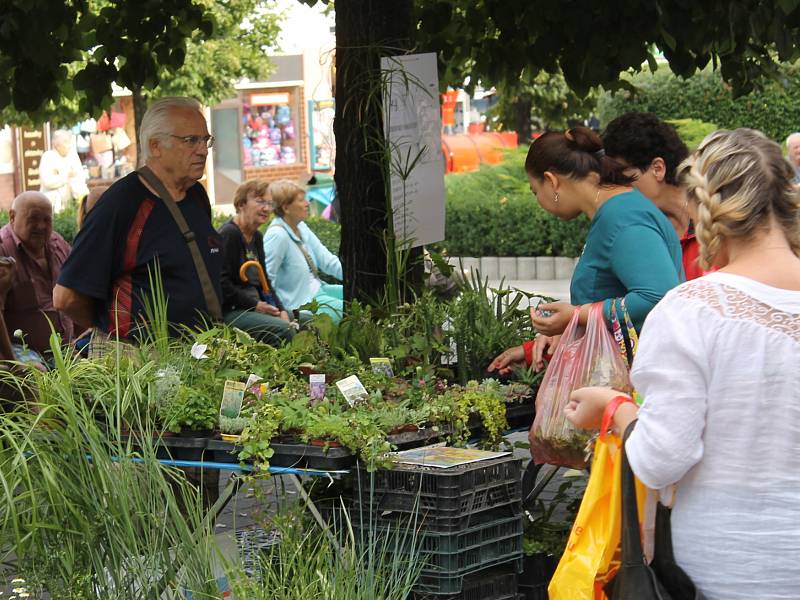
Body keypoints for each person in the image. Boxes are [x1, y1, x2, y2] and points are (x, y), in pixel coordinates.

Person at [565, 128, 800, 600]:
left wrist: (615, 409)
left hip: (729, 568)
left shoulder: (693, 310)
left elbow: (661, 458)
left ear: (705, 207)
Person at [488, 127, 682, 375]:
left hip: (641, 382)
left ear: (552, 180)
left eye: (536, 191)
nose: (539, 201)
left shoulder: (621, 216)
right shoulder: (617, 209)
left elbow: (656, 295)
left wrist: (577, 315)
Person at [54, 96, 223, 343]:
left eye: (205, 139)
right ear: (155, 146)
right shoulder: (121, 204)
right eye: (191, 140)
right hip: (139, 365)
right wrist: (117, 334)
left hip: (198, 355)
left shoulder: (196, 196)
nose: (202, 150)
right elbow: (66, 297)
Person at [603, 112, 710, 281]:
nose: (615, 187)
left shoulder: (717, 220)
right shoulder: (641, 231)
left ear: (658, 169)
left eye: (621, 176)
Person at [219, 179, 298, 345]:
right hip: (234, 311)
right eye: (260, 201)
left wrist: (281, 310)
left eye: (270, 203)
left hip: (257, 306)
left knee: (307, 321)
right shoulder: (230, 234)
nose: (267, 208)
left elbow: (265, 282)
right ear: (241, 204)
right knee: (284, 330)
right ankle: (287, 370)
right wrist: (256, 305)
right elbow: (222, 283)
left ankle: (317, 370)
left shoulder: (257, 237)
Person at [0, 192, 74, 358]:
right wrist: (12, 362)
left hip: (65, 348)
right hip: (20, 350)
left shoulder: (58, 244)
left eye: (47, 220)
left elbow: (77, 288)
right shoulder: (3, 251)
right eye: (33, 218)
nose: (41, 226)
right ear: (12, 216)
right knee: (37, 375)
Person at [263, 180, 343, 323]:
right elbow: (268, 280)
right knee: (353, 312)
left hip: (320, 290)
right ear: (286, 208)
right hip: (304, 304)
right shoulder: (277, 236)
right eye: (301, 200)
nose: (307, 203)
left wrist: (357, 278)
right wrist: (280, 314)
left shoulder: (301, 227)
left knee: (362, 295)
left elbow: (328, 262)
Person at [39, 129, 90, 212]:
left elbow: (79, 178)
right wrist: (66, 176)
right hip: (51, 205)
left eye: (69, 142)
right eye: (66, 142)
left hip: (70, 205)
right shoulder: (47, 157)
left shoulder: (73, 156)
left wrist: (84, 199)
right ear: (56, 145)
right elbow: (47, 181)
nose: (69, 145)